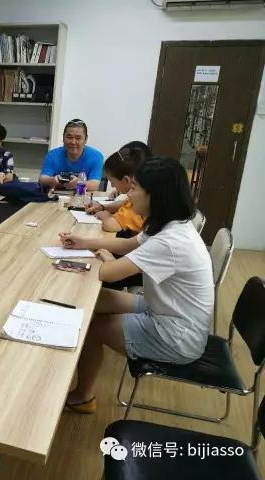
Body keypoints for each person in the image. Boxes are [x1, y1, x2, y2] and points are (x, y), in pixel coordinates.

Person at [60, 157, 213, 414]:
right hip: (165, 309)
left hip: (177, 336)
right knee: (96, 300)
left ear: (155, 195)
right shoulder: (168, 223)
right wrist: (84, 242)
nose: (128, 196)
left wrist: (109, 261)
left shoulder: (170, 240)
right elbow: (126, 245)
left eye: (134, 189)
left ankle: (83, 396)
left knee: (90, 328)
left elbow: (108, 273)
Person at [86, 141, 151, 234]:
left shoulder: (140, 202)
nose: (112, 186)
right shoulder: (142, 193)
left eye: (112, 182)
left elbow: (110, 226)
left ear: (126, 180)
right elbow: (125, 203)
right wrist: (102, 207)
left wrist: (107, 216)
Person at [39, 119, 103, 191]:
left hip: (82, 195)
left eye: (78, 138)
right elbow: (42, 179)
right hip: (56, 195)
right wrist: (52, 180)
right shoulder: (52, 155)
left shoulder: (96, 157)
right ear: (63, 138)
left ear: (86, 140)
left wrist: (78, 183)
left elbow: (95, 185)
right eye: (69, 137)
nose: (73, 142)